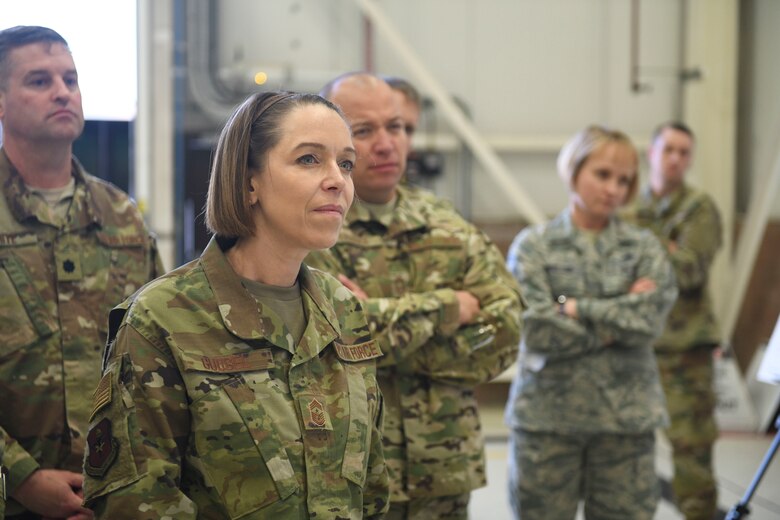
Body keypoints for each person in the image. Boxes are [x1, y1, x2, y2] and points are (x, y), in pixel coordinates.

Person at [81, 91, 389, 518]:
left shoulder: (342, 309)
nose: (338, 179)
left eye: (346, 163)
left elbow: (371, 487)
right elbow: (136, 502)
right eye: (309, 159)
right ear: (249, 182)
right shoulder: (163, 317)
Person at [307, 72, 523, 519]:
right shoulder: (312, 229)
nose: (387, 143)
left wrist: (381, 334)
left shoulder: (447, 226)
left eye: (398, 126)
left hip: (443, 470)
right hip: (348, 473)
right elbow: (330, 346)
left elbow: (503, 333)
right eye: (364, 131)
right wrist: (448, 308)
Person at [0, 25, 164, 519]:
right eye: (38, 80)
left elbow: (158, 354)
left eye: (70, 79)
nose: (62, 91)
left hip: (115, 497)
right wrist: (21, 477)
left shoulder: (120, 215)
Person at [504, 125, 678, 519]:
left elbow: (649, 322)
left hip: (626, 424)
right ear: (574, 170)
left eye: (624, 180)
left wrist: (576, 308)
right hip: (548, 421)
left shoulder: (643, 247)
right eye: (603, 174)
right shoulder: (534, 246)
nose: (614, 188)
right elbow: (535, 328)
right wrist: (620, 313)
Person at [622, 121, 722, 520]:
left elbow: (689, 270)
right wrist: (666, 248)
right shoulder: (628, 207)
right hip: (635, 347)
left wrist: (644, 253)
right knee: (629, 448)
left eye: (684, 152)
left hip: (685, 350)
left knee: (691, 448)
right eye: (669, 150)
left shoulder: (700, 207)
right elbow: (614, 267)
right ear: (652, 153)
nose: (676, 159)